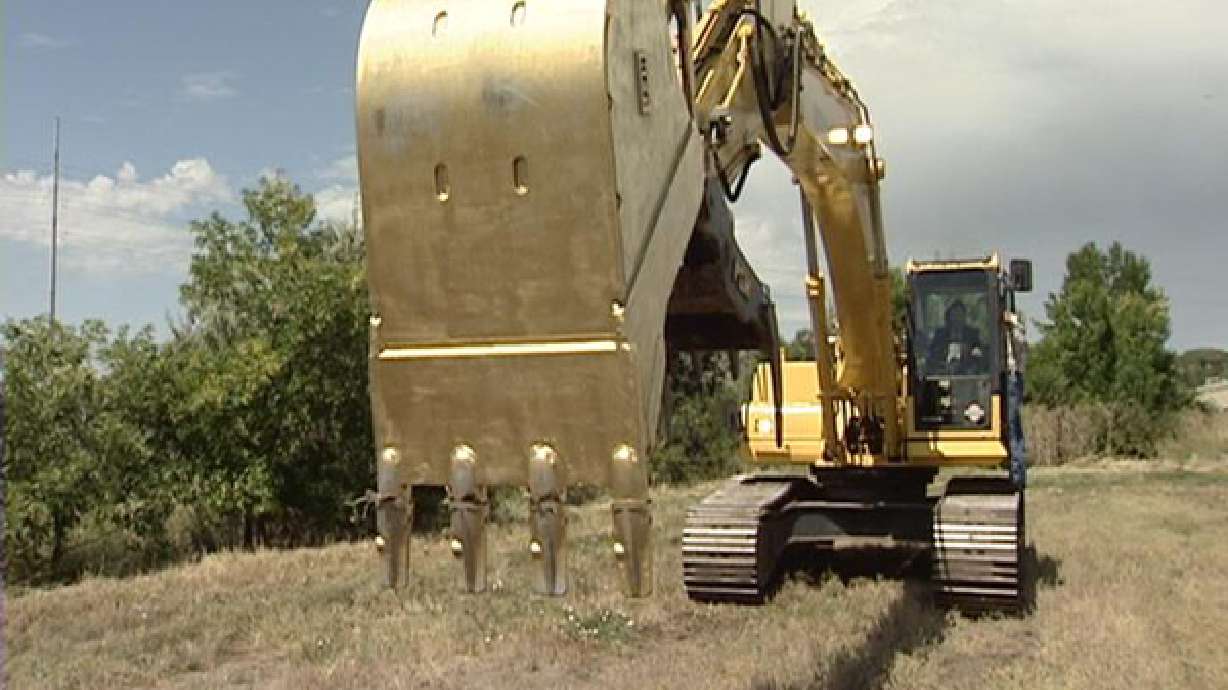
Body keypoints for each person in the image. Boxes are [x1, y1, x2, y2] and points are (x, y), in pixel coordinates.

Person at [927, 300, 985, 374]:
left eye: (960, 315)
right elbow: (933, 355)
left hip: (968, 376)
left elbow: (979, 357)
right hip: (943, 375)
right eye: (954, 315)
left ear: (964, 317)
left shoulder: (973, 335)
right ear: (949, 317)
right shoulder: (940, 335)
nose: (957, 319)